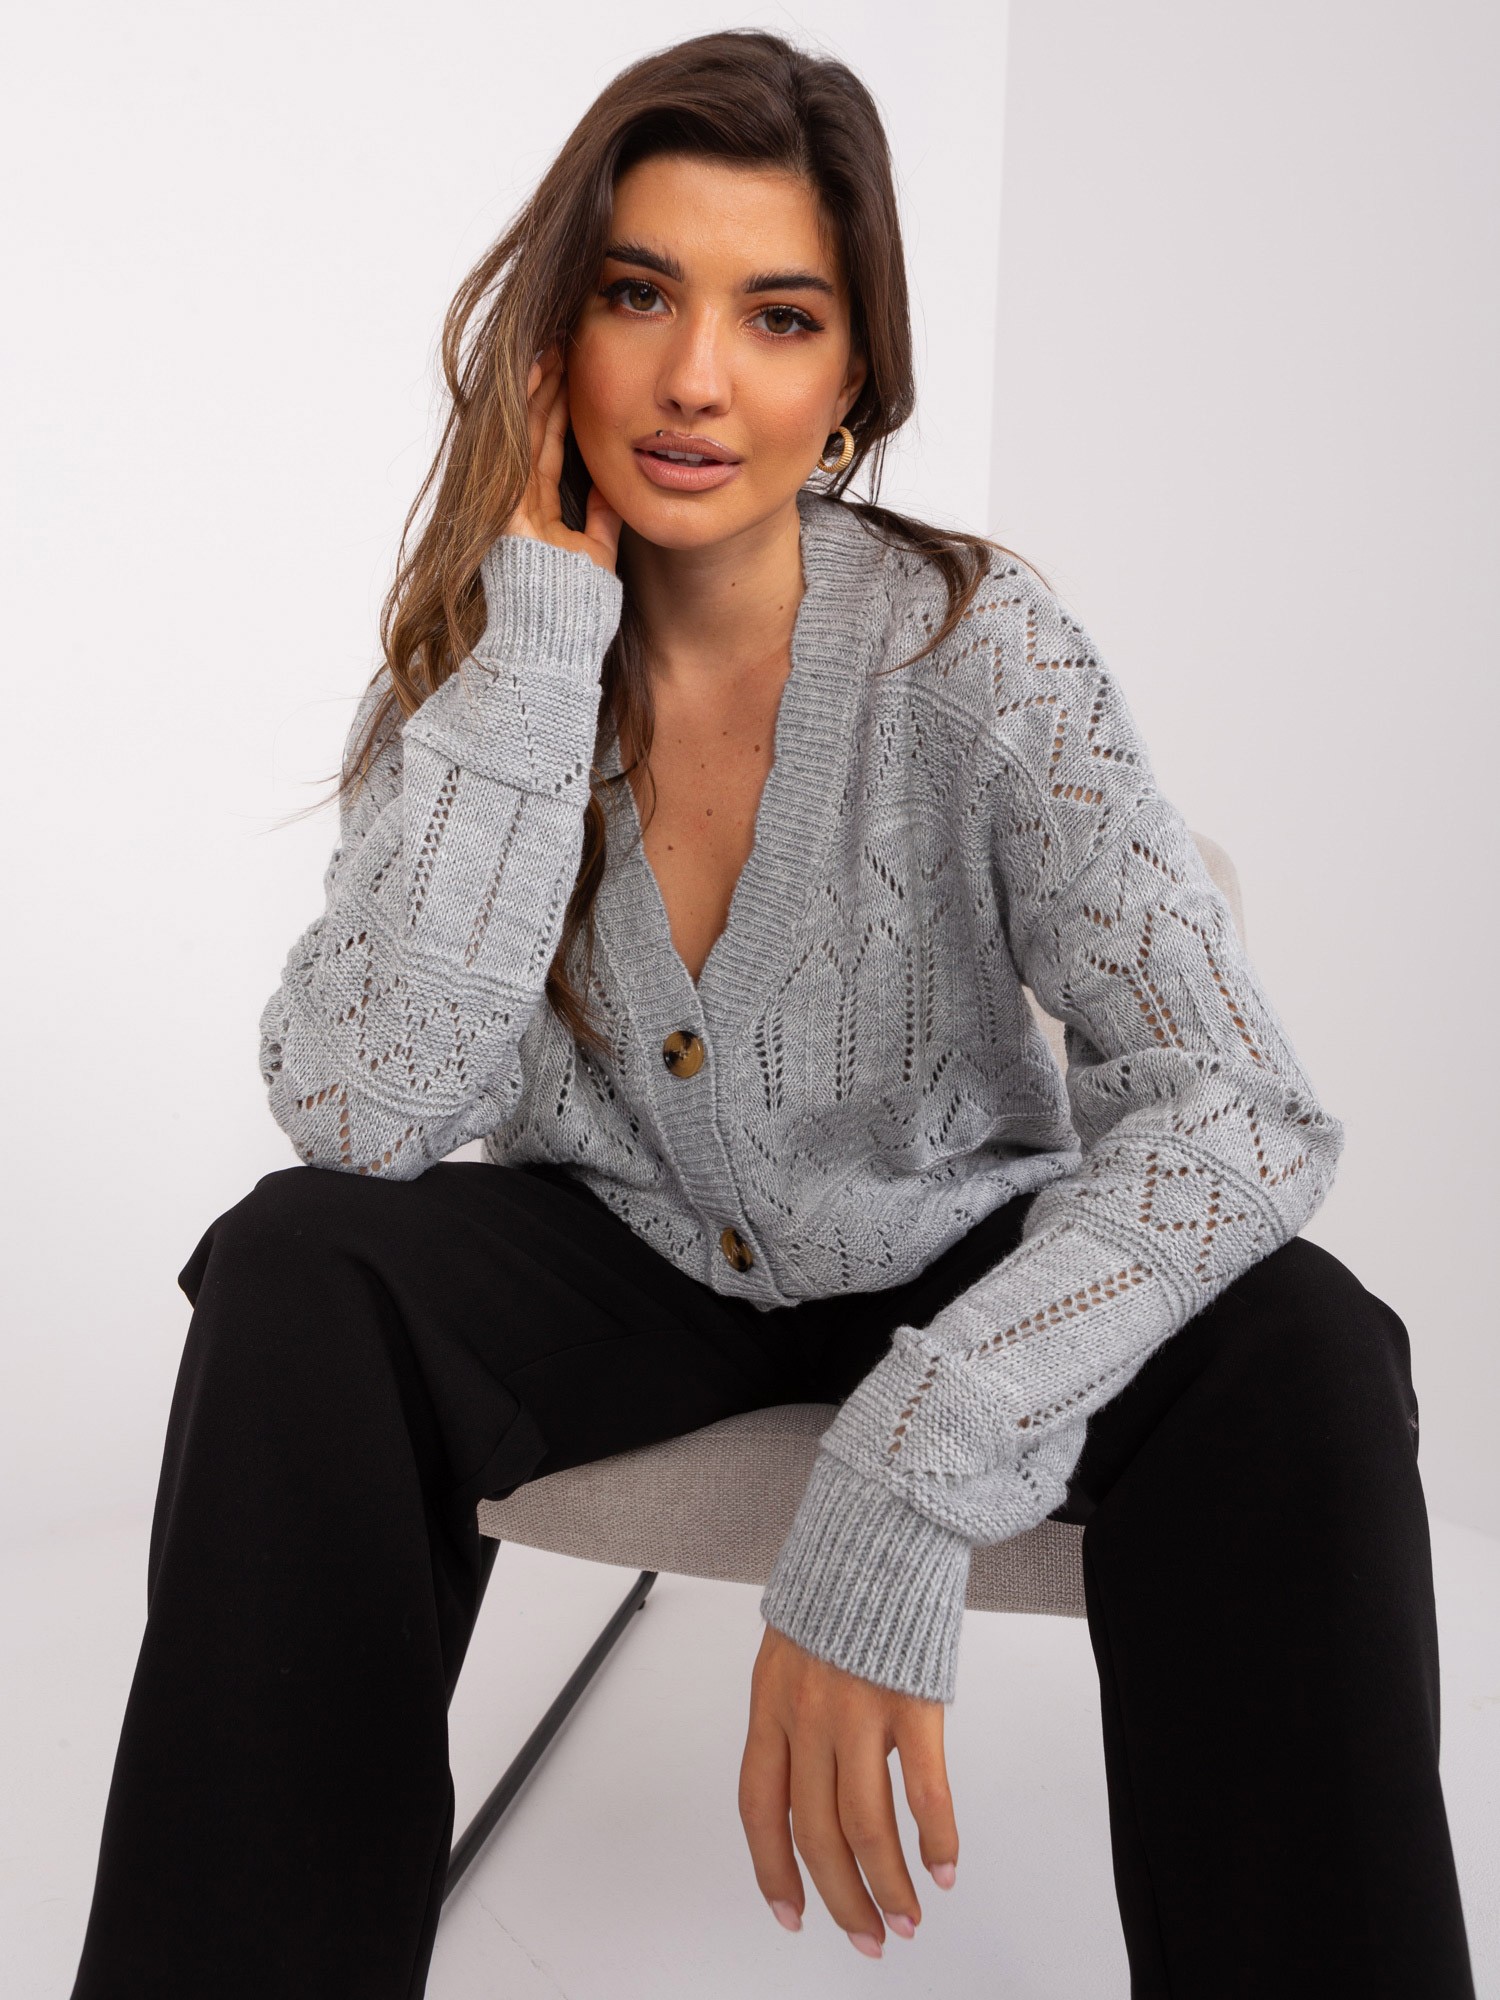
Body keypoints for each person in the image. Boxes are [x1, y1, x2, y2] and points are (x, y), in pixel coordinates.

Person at [68, 27, 1475, 2000]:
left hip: (953, 1248)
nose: (696, 377)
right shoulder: (481, 676)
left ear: (853, 382)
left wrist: (918, 1447)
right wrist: (535, 665)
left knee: (1307, 1343)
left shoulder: (981, 655)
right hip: (623, 1256)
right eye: (639, 293)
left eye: (780, 316)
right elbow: (362, 1112)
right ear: (557, 337)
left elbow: (1241, 1106)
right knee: (299, 1265)